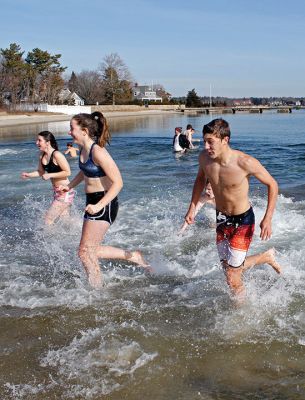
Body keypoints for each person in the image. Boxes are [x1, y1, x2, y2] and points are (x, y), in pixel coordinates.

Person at [184, 118, 281, 301]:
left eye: (210, 141)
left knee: (231, 276)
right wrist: (192, 208)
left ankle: (240, 319)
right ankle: (265, 257)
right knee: (227, 269)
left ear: (225, 140)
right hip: (221, 218)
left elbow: (272, 185)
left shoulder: (245, 162)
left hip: (243, 220)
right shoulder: (205, 158)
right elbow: (200, 180)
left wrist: (267, 218)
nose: (205, 146)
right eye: (204, 141)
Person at [58, 112, 150, 288]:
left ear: (84, 131)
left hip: (104, 202)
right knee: (89, 250)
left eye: (72, 128)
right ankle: (132, 256)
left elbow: (118, 183)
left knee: (85, 252)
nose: (69, 132)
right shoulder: (84, 150)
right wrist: (69, 186)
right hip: (92, 202)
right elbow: (84, 171)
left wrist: (99, 205)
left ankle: (96, 290)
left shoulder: (98, 151)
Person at [21, 131, 75, 225]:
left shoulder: (57, 155)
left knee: (48, 219)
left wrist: (50, 175)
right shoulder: (41, 155)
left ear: (48, 142)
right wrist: (29, 175)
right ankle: (76, 234)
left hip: (65, 191)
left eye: (39, 140)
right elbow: (40, 172)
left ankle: (48, 239)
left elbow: (67, 172)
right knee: (65, 219)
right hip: (57, 191)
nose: (36, 143)